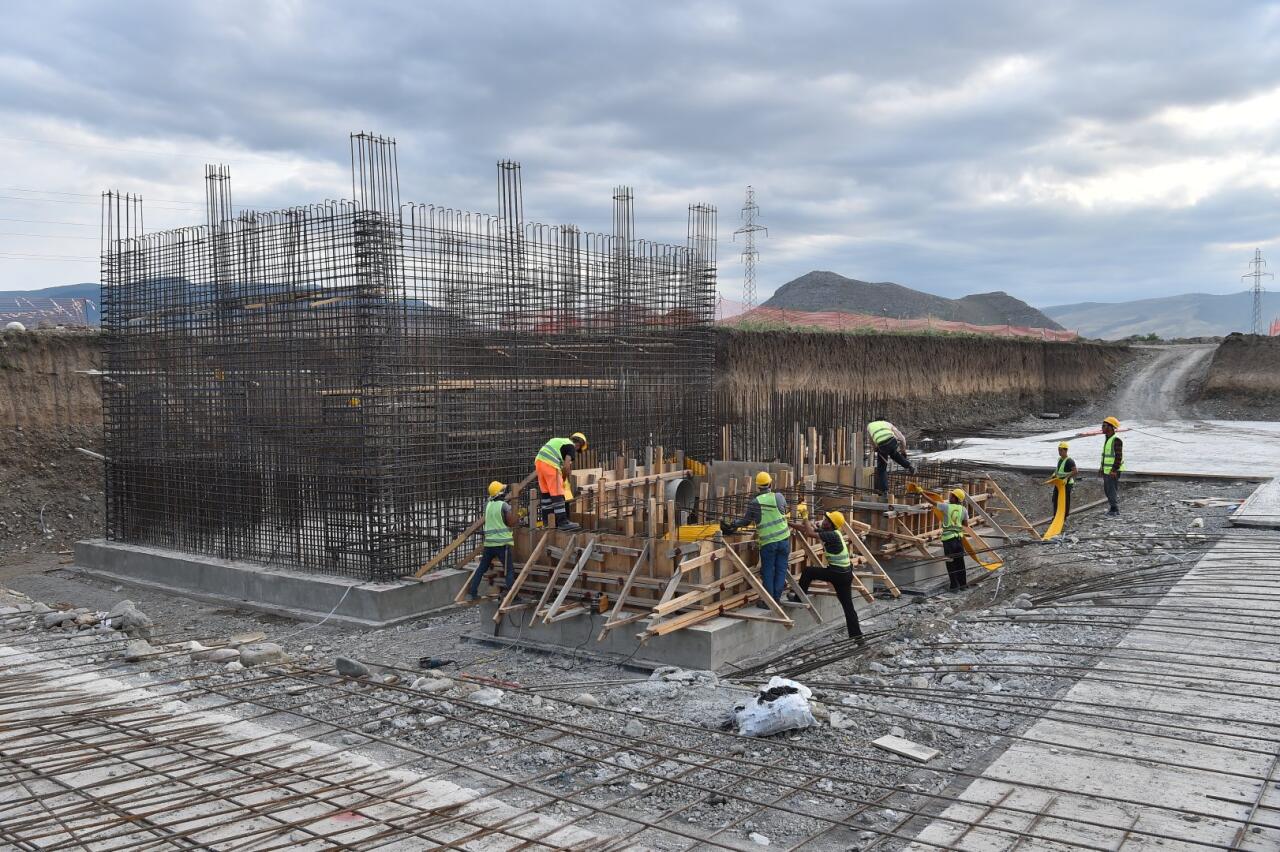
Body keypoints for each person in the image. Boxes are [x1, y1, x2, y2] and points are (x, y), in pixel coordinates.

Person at [788, 510, 864, 642]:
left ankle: (799, 598)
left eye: (826, 520)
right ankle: (858, 637)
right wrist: (789, 523)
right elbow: (806, 530)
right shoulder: (831, 533)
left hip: (837, 573)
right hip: (845, 574)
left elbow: (810, 533)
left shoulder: (832, 535)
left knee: (808, 571)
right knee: (848, 607)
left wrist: (805, 516)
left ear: (831, 524)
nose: (824, 521)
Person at [722, 471, 790, 605]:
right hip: (784, 540)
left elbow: (746, 522)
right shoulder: (779, 496)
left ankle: (768, 602)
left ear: (758, 487)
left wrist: (733, 524)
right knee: (781, 569)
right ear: (770, 483)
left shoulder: (755, 503)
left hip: (769, 543)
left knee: (768, 571)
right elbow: (783, 511)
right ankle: (776, 598)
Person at [467, 481, 516, 600]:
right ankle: (513, 597)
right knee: (509, 570)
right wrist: (517, 514)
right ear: (501, 493)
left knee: (481, 568)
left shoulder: (487, 505)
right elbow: (510, 522)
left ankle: (472, 593)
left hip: (489, 544)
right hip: (502, 544)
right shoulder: (504, 506)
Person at [534, 432, 587, 530]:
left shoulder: (559, 441)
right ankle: (563, 522)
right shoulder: (570, 445)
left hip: (539, 464)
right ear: (579, 444)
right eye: (578, 449)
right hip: (551, 465)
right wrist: (563, 479)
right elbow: (567, 466)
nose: (576, 451)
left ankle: (547, 522)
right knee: (558, 494)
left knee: (546, 495)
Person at [866, 418, 916, 500]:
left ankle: (884, 491)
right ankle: (909, 466)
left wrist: (876, 448)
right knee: (894, 454)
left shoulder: (870, 426)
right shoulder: (888, 424)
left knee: (882, 469)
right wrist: (903, 451)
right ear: (883, 420)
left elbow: (871, 440)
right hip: (892, 441)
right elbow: (902, 438)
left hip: (881, 445)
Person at [937, 488, 969, 591]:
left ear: (955, 498)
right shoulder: (963, 509)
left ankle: (954, 586)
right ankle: (963, 585)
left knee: (950, 563)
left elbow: (932, 502)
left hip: (948, 540)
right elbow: (966, 524)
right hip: (959, 540)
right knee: (960, 562)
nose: (949, 497)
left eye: (951, 495)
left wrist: (922, 493)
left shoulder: (946, 507)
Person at [1099, 416, 1125, 517]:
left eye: (1104, 426)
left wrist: (1114, 470)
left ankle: (1115, 510)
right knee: (1107, 489)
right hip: (1107, 470)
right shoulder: (1108, 439)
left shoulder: (1116, 440)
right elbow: (1106, 456)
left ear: (1110, 427)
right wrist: (1101, 467)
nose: (1102, 427)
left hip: (1112, 471)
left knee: (1111, 489)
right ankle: (1112, 507)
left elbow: (1118, 457)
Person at [1051, 441, 1076, 517]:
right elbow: (1058, 469)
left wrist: (1066, 478)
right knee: (1055, 499)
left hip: (1067, 483)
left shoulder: (1069, 461)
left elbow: (1075, 471)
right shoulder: (1059, 459)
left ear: (1066, 450)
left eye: (1061, 450)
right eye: (1059, 450)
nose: (1059, 452)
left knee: (1065, 500)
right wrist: (1054, 474)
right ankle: (1056, 515)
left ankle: (1064, 516)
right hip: (1059, 483)